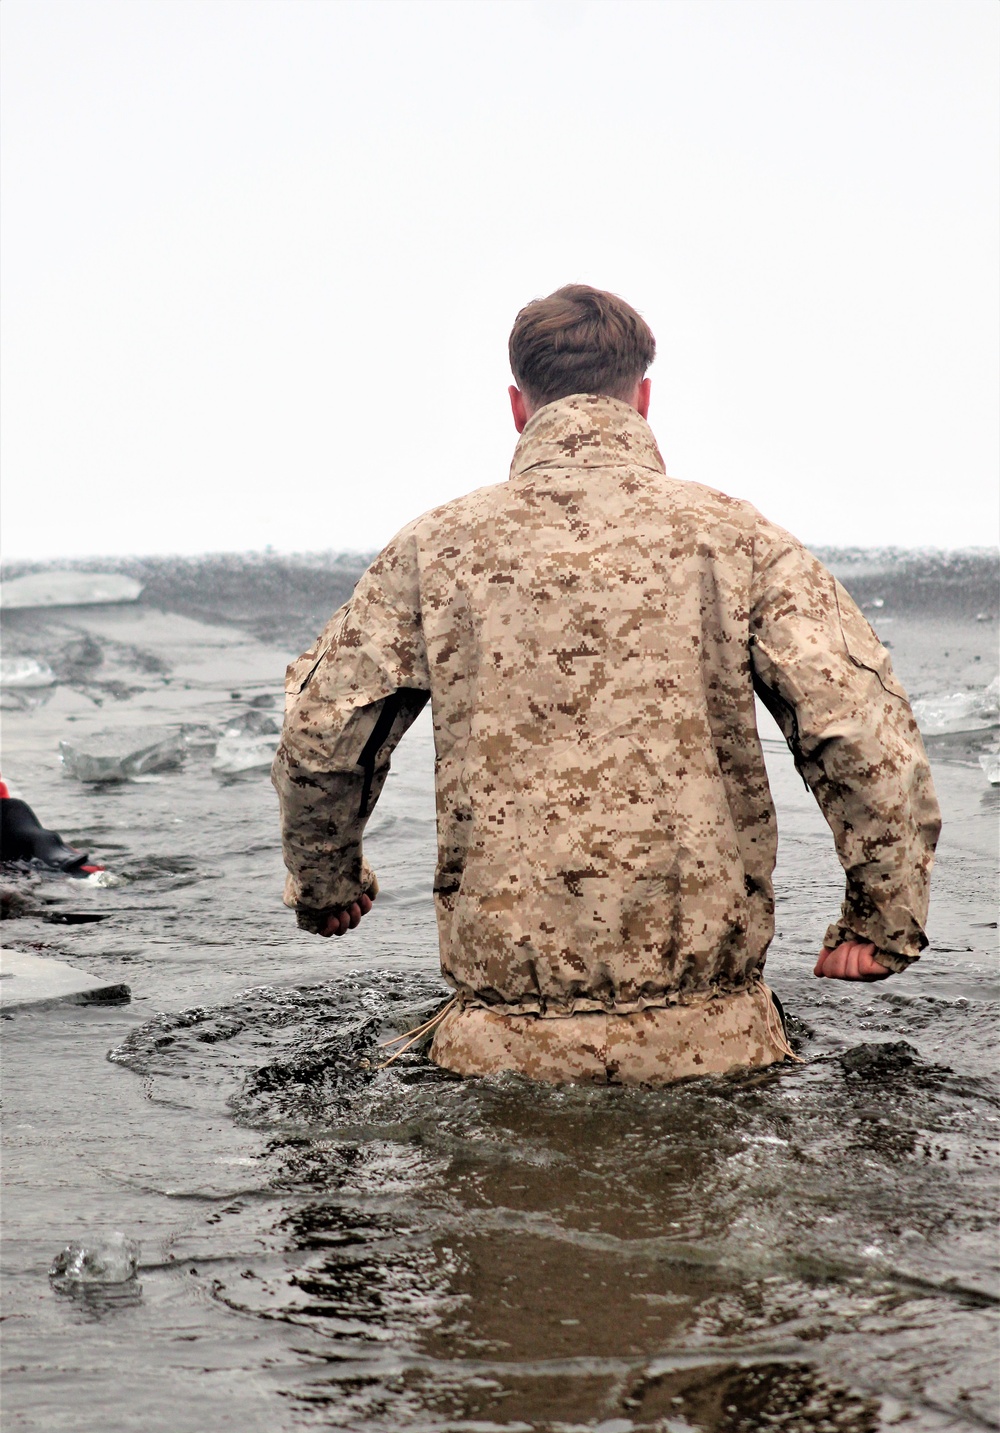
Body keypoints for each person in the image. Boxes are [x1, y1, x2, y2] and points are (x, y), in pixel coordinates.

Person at [272, 285, 940, 1084]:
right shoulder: (740, 539)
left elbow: (322, 734)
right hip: (717, 1041)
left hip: (501, 1048)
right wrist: (881, 918)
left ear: (519, 407)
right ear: (644, 398)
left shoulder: (435, 548)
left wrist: (327, 885)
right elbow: (861, 732)